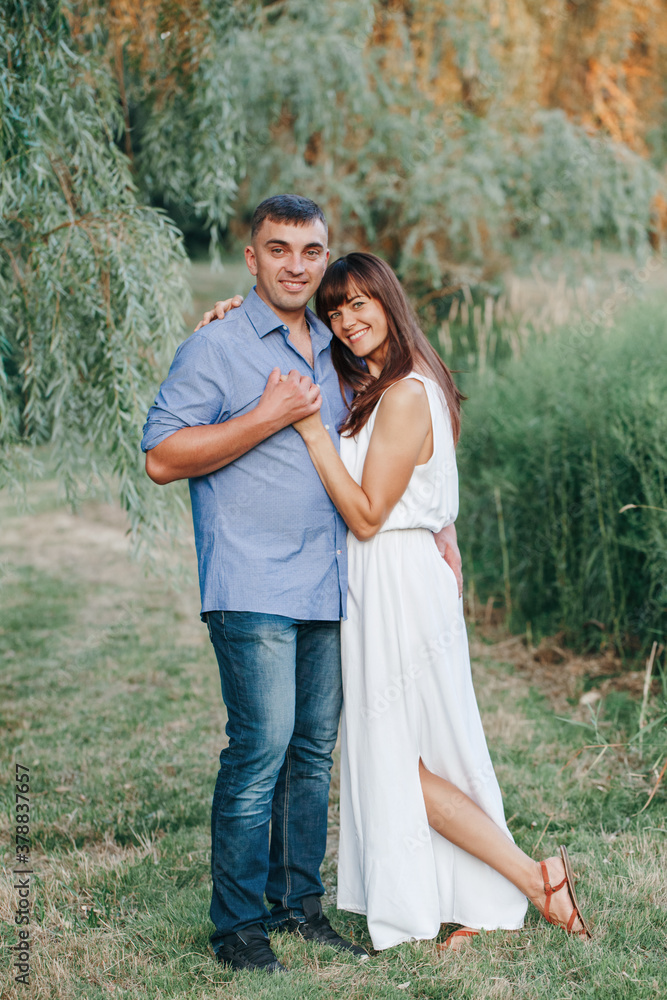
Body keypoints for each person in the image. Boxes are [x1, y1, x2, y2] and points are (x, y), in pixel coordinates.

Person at [205, 251, 591, 953]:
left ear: (388, 300)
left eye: (359, 303)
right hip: (388, 577)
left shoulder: (406, 393)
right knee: (420, 751)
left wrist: (310, 430)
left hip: (395, 583)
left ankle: (536, 880)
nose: (346, 321)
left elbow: (365, 514)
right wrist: (238, 312)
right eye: (334, 310)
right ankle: (479, 889)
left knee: (402, 758)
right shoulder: (383, 382)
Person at [141, 195, 461, 973]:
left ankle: (298, 907)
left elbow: (391, 436)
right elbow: (161, 458)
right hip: (251, 580)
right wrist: (266, 414)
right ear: (251, 258)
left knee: (313, 753)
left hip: (334, 581)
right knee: (260, 750)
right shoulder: (215, 347)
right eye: (277, 249)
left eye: (309, 250)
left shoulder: (335, 344)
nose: (295, 264)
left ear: (324, 257)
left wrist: (440, 526)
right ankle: (238, 929)